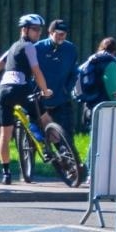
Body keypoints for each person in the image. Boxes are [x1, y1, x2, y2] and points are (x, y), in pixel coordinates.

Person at [0, 13, 54, 185]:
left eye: (40, 30)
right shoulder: (29, 46)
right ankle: (53, 148)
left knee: (5, 134)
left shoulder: (12, 48)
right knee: (43, 117)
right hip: (21, 88)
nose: (38, 33)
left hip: (5, 90)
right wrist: (45, 90)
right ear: (24, 30)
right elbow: (36, 71)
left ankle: (6, 173)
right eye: (35, 29)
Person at [33, 19, 79, 153]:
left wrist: (66, 90)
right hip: (40, 100)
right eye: (58, 33)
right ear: (50, 32)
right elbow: (31, 72)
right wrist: (37, 91)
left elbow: (74, 73)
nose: (61, 36)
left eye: (64, 33)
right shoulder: (37, 48)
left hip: (61, 99)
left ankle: (70, 162)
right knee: (39, 138)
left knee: (66, 137)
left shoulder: (70, 49)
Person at [74, 37, 116, 130]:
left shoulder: (90, 62)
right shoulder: (110, 63)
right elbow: (111, 88)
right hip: (105, 107)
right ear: (114, 51)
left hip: (89, 105)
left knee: (94, 135)